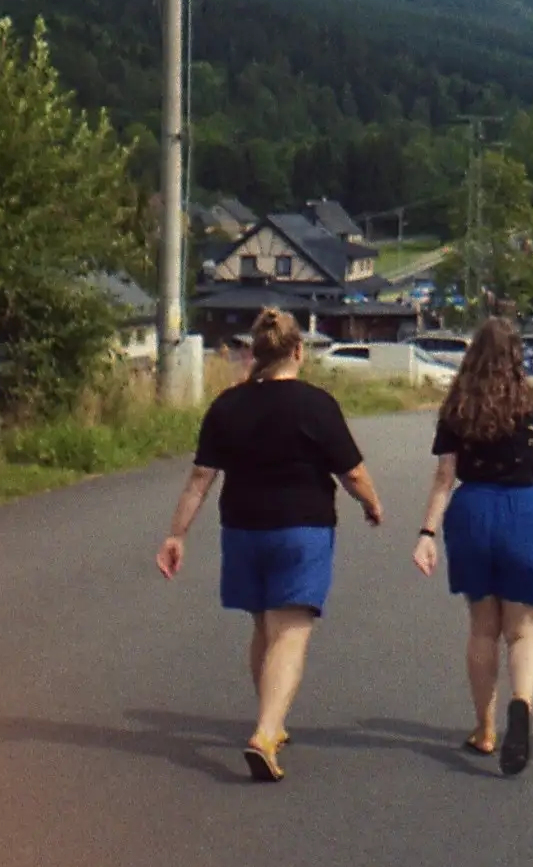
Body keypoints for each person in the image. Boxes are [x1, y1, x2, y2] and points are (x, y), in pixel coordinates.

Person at [156, 307, 383, 781]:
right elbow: (352, 471)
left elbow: (200, 478)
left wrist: (177, 534)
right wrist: (371, 503)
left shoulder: (227, 405)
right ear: (299, 351)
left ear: (255, 354)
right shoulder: (316, 404)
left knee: (263, 627)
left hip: (243, 529)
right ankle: (265, 732)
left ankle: (271, 722)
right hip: (300, 530)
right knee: (291, 632)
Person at [412, 316, 533, 775]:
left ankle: (485, 729)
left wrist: (427, 533)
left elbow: (445, 477)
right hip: (525, 511)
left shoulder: (458, 407)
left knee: (483, 628)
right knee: (524, 631)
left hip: (472, 512)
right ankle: (522, 704)